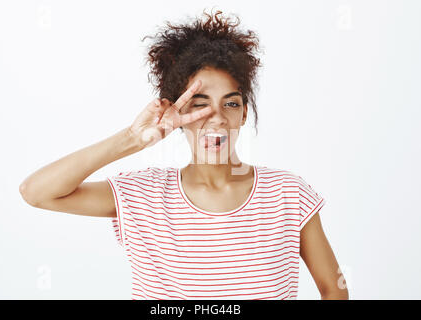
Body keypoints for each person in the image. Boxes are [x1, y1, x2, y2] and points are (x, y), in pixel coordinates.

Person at [19, 9, 348, 300]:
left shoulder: (288, 194)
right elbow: (36, 193)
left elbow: (333, 288)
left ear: (244, 113)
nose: (216, 117)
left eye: (230, 103)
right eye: (199, 105)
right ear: (176, 113)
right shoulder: (142, 195)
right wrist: (133, 139)